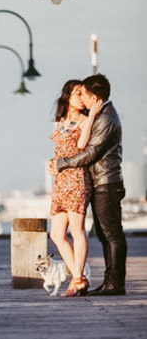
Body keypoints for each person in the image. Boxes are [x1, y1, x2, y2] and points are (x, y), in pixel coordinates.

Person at [56, 74, 126, 296]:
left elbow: (91, 151)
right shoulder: (102, 115)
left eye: (84, 94)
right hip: (101, 181)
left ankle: (114, 283)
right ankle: (109, 282)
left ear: (94, 96)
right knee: (106, 235)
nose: (83, 100)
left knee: (112, 234)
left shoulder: (105, 118)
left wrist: (62, 163)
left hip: (106, 181)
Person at [49, 80, 103, 297]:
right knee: (56, 233)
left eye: (83, 95)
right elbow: (58, 149)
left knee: (77, 230)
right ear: (67, 96)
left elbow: (81, 146)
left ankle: (78, 278)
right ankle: (79, 277)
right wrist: (50, 163)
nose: (81, 98)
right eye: (77, 94)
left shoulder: (84, 120)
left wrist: (90, 118)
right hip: (61, 179)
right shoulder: (60, 121)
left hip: (77, 177)